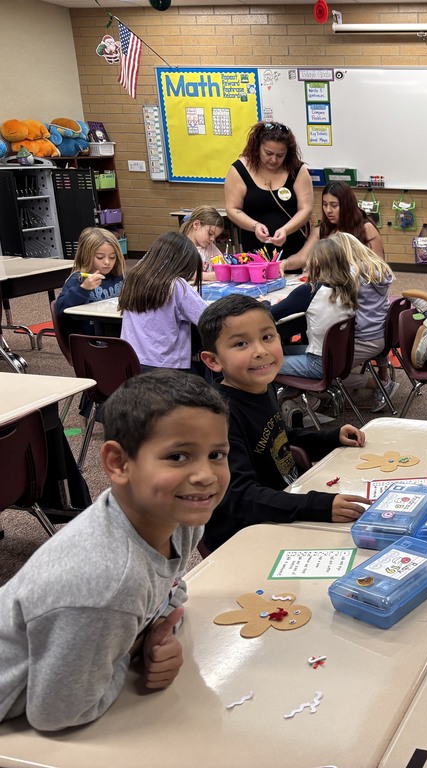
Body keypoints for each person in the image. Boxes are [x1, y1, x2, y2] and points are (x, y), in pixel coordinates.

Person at [0, 370, 230, 731]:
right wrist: (132, 652)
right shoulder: (107, 581)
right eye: (178, 457)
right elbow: (57, 714)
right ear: (118, 464)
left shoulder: (179, 517)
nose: (205, 475)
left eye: (217, 454)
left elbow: (170, 590)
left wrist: (157, 632)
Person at [198, 294, 370, 553]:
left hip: (284, 506)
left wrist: (330, 438)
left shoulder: (260, 386)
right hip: (245, 539)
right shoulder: (217, 417)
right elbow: (240, 497)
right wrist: (315, 506)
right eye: (241, 344)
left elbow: (279, 437)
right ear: (213, 360)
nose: (261, 351)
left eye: (267, 337)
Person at [269, 235, 359, 382]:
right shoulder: (347, 288)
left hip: (317, 364)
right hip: (339, 359)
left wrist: (267, 303)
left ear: (315, 262)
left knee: (262, 364)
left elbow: (270, 315)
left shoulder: (310, 291)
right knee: (280, 352)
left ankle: (286, 399)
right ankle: (293, 394)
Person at [224, 121, 313, 264]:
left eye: (280, 155)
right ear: (257, 147)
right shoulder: (239, 170)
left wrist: (285, 230)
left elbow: (306, 209)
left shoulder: (298, 170)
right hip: (255, 253)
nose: (274, 159)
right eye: (268, 153)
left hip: (293, 253)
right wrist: (255, 226)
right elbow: (232, 209)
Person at [119, 231, 206, 372]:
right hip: (167, 370)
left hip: (131, 364)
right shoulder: (177, 285)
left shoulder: (132, 278)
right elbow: (206, 318)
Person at [334, 230, 398, 413]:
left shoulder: (351, 274)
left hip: (365, 338)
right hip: (381, 333)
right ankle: (383, 375)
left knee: (326, 370)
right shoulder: (376, 267)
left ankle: (379, 384)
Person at [282, 180, 385, 272]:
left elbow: (379, 268)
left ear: (347, 205)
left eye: (334, 205)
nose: (328, 210)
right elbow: (302, 257)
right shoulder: (321, 230)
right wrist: (285, 264)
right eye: (325, 204)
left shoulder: (366, 228)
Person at [55, 226, 126, 338]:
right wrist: (83, 289)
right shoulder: (78, 279)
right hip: (89, 339)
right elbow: (60, 309)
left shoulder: (118, 277)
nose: (107, 262)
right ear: (87, 256)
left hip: (116, 334)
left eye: (112, 257)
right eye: (100, 257)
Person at [179, 205, 224, 282]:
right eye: (210, 233)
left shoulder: (210, 247)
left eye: (215, 237)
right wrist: (210, 276)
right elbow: (185, 274)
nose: (212, 239)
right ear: (196, 224)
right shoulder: (180, 246)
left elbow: (223, 269)